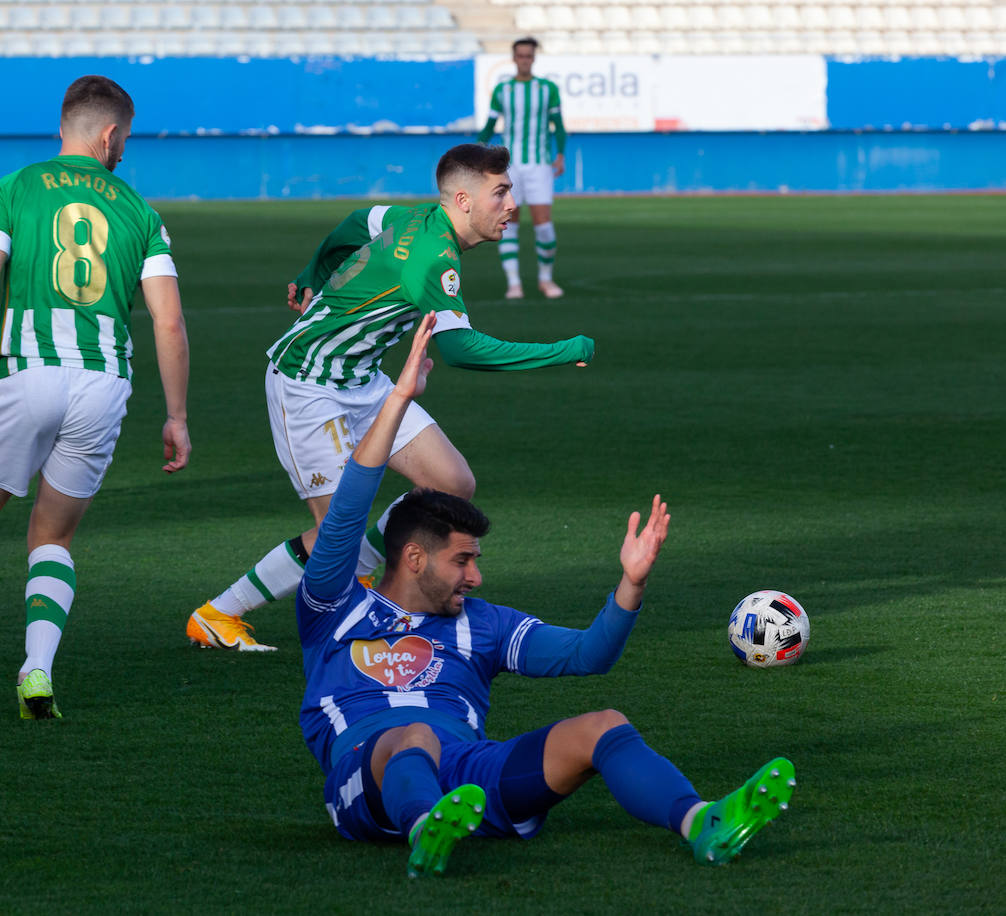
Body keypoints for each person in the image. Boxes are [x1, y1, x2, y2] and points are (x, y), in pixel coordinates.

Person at [299, 311, 795, 877]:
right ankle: (423, 828)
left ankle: (703, 822)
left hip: (469, 775)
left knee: (603, 725)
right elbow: (346, 511)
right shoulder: (334, 606)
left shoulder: (482, 625)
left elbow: (589, 655)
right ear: (414, 557)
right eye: (463, 560)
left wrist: (631, 583)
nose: (476, 577)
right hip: (368, 778)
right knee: (412, 736)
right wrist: (400, 400)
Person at [186, 144, 592, 652]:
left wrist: (314, 271)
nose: (513, 204)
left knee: (451, 484)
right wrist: (563, 351)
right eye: (501, 192)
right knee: (338, 535)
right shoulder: (434, 259)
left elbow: (359, 221)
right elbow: (462, 350)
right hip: (307, 385)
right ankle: (220, 612)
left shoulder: (416, 216)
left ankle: (367, 583)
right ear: (464, 200)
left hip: (364, 381)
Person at [0, 75, 191, 721]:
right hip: (103, 386)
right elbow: (169, 323)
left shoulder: (10, 190)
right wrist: (176, 416)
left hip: (26, 373)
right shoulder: (143, 213)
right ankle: (36, 671)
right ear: (110, 134)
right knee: (54, 536)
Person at [476, 37, 567, 300]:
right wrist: (476, 152)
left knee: (544, 225)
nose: (525, 60)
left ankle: (545, 279)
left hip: (540, 165)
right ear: (514, 58)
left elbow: (558, 125)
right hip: (510, 166)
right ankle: (514, 283)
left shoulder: (548, 88)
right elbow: (489, 126)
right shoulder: (503, 89)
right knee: (508, 223)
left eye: (529, 56)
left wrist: (560, 155)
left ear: (533, 58)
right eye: (521, 55)